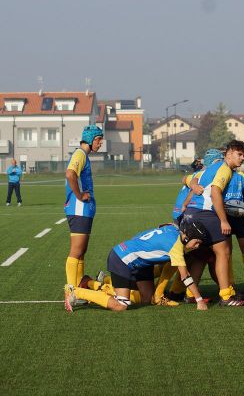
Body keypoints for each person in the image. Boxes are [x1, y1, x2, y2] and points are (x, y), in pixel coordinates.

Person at [64, 218, 209, 312]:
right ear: (188, 235)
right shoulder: (176, 246)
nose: (196, 246)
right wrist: (199, 300)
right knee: (121, 305)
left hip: (140, 263)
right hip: (122, 260)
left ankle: (90, 283)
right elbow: (185, 276)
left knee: (147, 300)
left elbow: (163, 225)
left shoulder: (174, 229)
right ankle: (75, 292)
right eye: (196, 242)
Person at [185, 140, 244, 307]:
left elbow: (193, 185)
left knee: (201, 255)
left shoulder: (210, 168)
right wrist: (223, 220)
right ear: (228, 154)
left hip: (192, 213)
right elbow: (215, 192)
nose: (242, 158)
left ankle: (190, 294)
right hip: (206, 213)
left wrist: (186, 208)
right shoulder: (224, 169)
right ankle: (226, 295)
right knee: (224, 251)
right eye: (239, 154)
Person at [64, 125, 103, 288]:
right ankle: (71, 291)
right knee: (76, 250)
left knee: (81, 252)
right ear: (90, 139)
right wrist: (79, 195)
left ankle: (78, 287)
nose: (100, 143)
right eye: (98, 140)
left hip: (83, 210)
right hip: (78, 208)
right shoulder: (80, 154)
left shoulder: (84, 155)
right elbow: (70, 174)